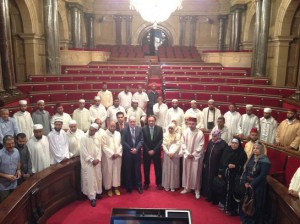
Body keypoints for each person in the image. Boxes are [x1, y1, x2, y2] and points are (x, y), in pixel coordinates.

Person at [240, 142, 271, 224]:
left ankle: (253, 221)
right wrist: (245, 181)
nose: (255, 150)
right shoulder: (251, 157)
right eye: (254, 148)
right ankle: (246, 219)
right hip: (248, 184)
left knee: (255, 204)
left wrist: (252, 184)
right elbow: (246, 170)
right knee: (247, 202)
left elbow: (262, 175)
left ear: (261, 150)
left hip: (258, 186)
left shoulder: (265, 161)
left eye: (257, 148)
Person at [218, 138, 247, 216]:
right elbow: (221, 162)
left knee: (231, 191)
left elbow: (243, 167)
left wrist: (235, 166)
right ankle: (224, 204)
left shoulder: (242, 154)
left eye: (236, 143)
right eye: (232, 143)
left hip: (235, 176)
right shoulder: (227, 150)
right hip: (225, 174)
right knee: (224, 188)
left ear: (239, 144)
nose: (234, 145)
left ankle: (229, 208)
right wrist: (220, 172)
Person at [180, 116, 205, 199]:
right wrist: (187, 153)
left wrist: (193, 154)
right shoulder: (185, 132)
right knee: (186, 172)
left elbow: (201, 145)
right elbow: (182, 143)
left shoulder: (200, 133)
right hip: (187, 156)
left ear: (196, 124)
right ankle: (187, 188)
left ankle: (197, 190)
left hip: (195, 157)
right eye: (189, 124)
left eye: (193, 124)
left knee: (196, 174)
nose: (191, 125)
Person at [202, 130, 227, 204]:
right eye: (213, 136)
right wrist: (205, 162)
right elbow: (207, 153)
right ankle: (207, 195)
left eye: (215, 136)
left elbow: (223, 158)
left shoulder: (223, 144)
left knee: (214, 181)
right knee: (207, 180)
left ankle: (213, 198)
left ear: (219, 136)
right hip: (209, 165)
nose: (213, 137)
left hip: (216, 167)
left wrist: (220, 169)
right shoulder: (210, 142)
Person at [80, 123, 102, 207]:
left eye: (92, 130)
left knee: (97, 177)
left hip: (97, 161)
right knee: (90, 179)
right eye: (90, 129)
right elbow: (83, 151)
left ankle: (98, 192)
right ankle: (92, 197)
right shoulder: (83, 138)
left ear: (96, 131)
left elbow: (99, 148)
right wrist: (91, 160)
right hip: (89, 163)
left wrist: (98, 158)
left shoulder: (98, 137)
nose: (90, 131)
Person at [121, 116, 144, 194]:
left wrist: (136, 149)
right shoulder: (124, 130)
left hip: (137, 153)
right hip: (128, 153)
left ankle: (139, 186)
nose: (132, 123)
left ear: (136, 121)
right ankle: (129, 186)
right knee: (128, 170)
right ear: (128, 122)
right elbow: (123, 142)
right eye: (131, 121)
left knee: (137, 170)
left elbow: (141, 140)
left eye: (134, 121)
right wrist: (131, 149)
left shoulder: (139, 129)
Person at [142, 115, 163, 190]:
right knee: (146, 168)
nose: (151, 122)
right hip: (146, 152)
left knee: (158, 168)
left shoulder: (159, 129)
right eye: (149, 121)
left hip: (156, 152)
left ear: (155, 121)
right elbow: (142, 141)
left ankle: (159, 183)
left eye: (152, 121)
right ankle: (146, 183)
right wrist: (148, 150)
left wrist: (154, 150)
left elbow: (161, 140)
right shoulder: (143, 129)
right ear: (147, 121)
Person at [102, 121, 122, 197]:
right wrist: (112, 154)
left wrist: (117, 153)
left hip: (117, 156)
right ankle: (109, 188)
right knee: (108, 172)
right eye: (111, 126)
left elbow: (120, 144)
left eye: (114, 126)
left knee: (116, 172)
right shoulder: (103, 134)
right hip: (108, 157)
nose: (113, 127)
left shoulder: (118, 133)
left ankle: (116, 187)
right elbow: (104, 146)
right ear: (107, 125)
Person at [0, 135, 21, 203]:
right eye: (8, 144)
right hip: (3, 186)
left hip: (14, 183)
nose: (11, 145)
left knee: (15, 203)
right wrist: (6, 176)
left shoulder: (16, 151)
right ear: (3, 144)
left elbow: (18, 161)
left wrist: (18, 170)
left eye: (13, 143)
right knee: (5, 206)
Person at [162, 123, 181, 192]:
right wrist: (168, 152)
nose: (170, 129)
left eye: (172, 128)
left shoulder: (178, 135)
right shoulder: (165, 135)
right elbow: (163, 145)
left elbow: (178, 144)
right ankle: (167, 185)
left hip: (175, 155)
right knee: (167, 169)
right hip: (167, 155)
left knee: (174, 170)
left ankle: (173, 186)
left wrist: (173, 152)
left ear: (174, 128)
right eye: (169, 128)